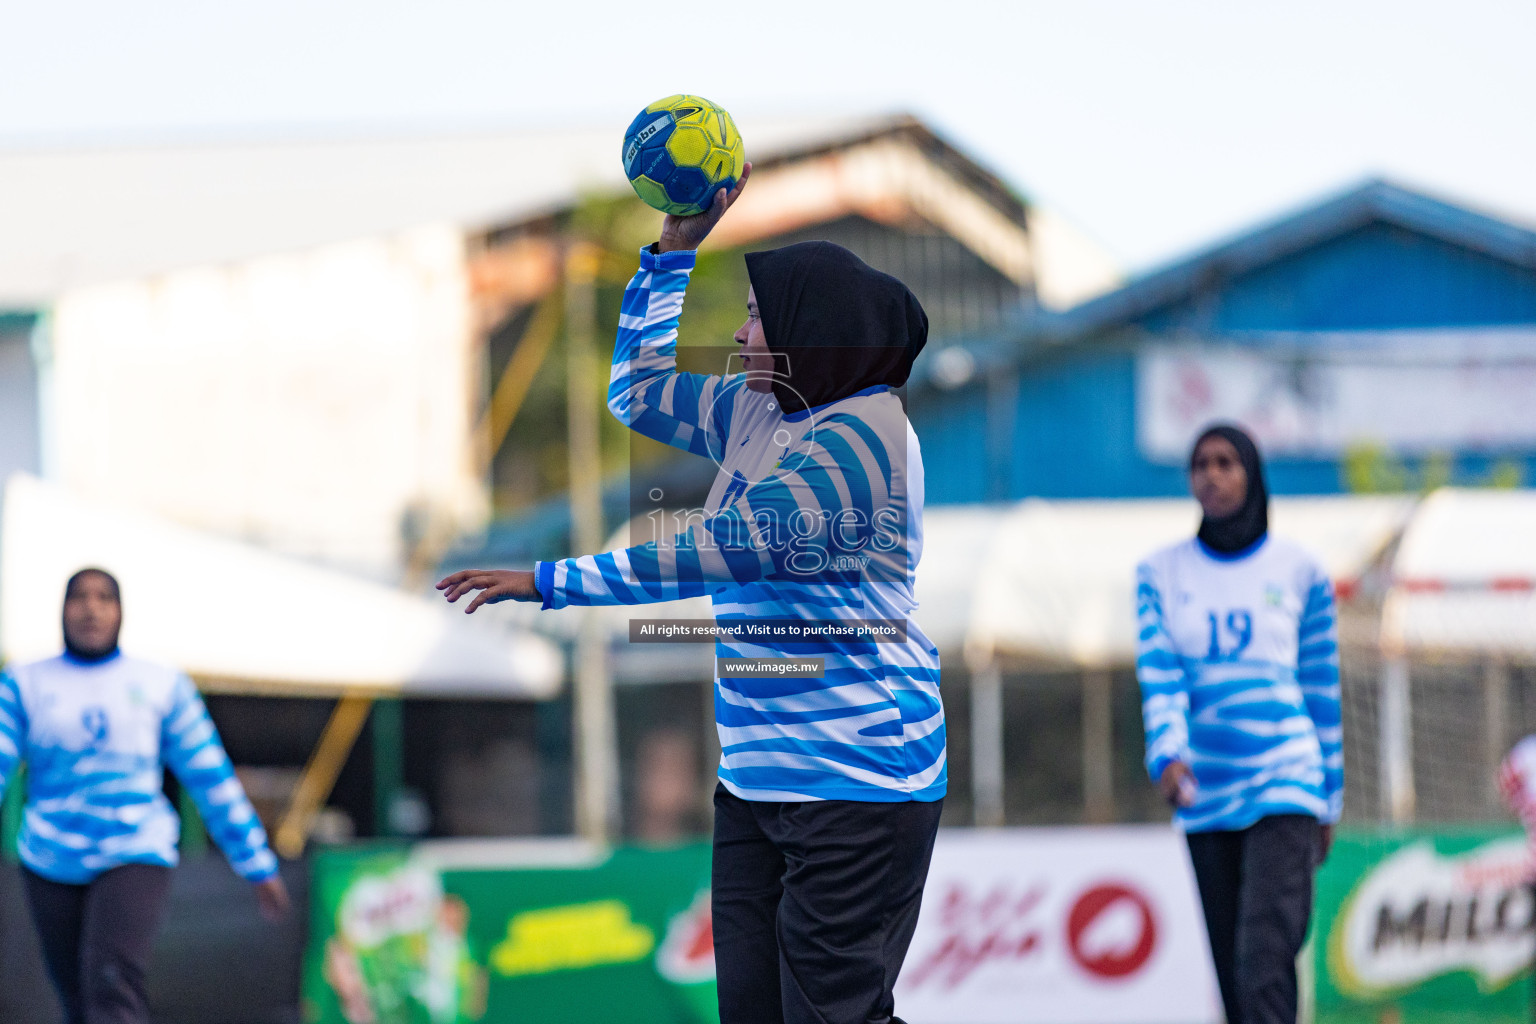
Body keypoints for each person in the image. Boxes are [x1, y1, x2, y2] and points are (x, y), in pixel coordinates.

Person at [439, 165, 947, 1024]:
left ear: (808, 332)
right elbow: (635, 392)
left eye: (758, 315)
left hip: (860, 781)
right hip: (754, 774)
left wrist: (551, 581)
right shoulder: (761, 409)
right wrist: (672, 254)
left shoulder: (868, 442)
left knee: (835, 1017)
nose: (745, 331)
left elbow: (724, 553)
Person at [0, 567, 289, 1024]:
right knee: (76, 999)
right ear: (62, 610)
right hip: (50, 856)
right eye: (79, 596)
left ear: (120, 611)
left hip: (134, 850)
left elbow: (209, 776)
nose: (91, 608)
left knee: (112, 985)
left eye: (104, 597)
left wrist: (256, 861)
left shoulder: (161, 684)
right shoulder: (23, 683)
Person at [1134, 425, 1342, 1024]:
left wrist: (1331, 796)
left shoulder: (1301, 569)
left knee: (1263, 962)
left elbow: (1321, 690)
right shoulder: (1160, 573)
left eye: (1227, 462)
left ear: (1251, 473)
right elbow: (1162, 674)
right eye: (1200, 464)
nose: (1213, 474)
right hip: (1205, 792)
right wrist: (1167, 754)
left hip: (1287, 783)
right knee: (1232, 978)